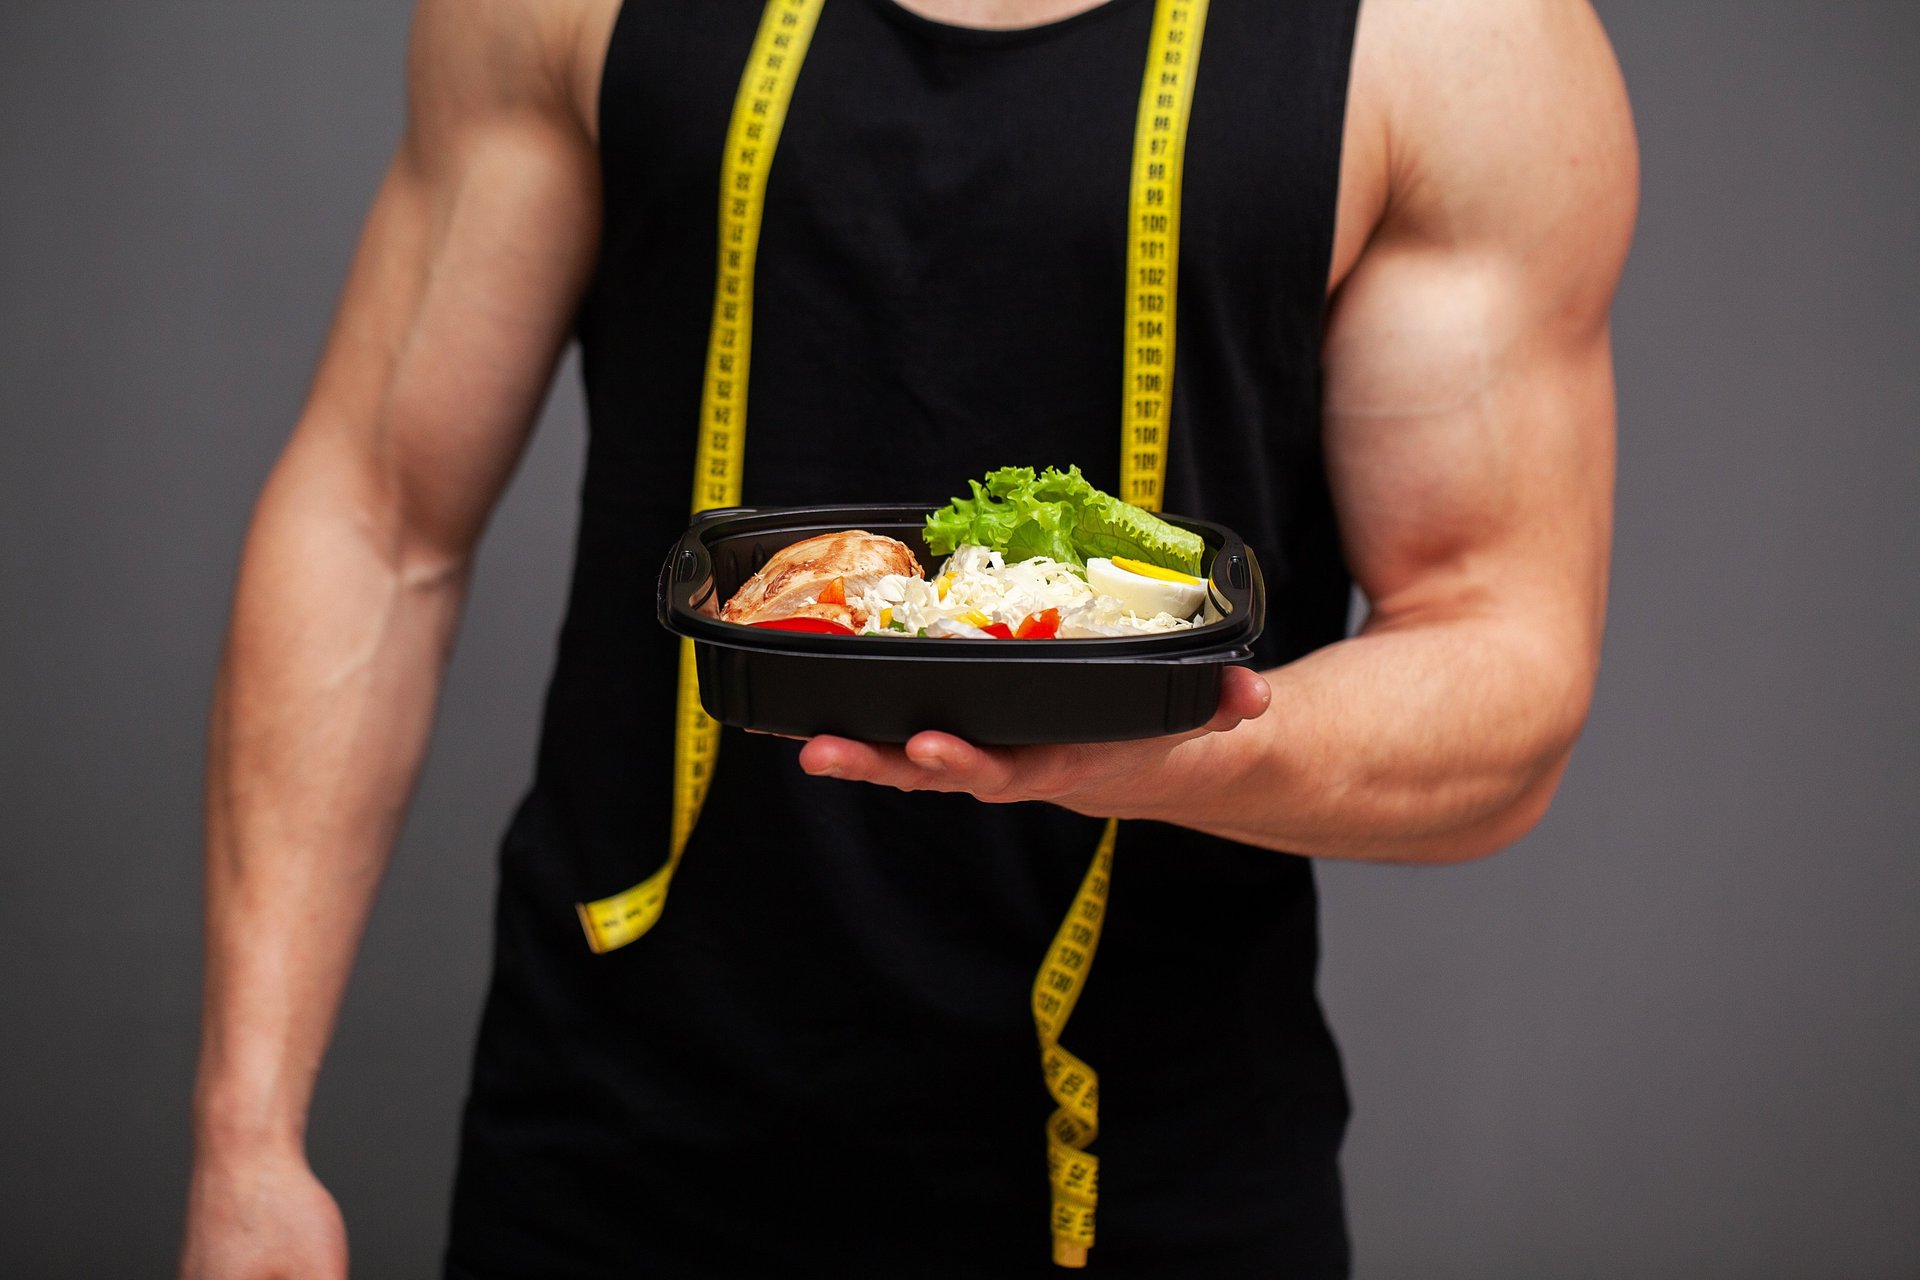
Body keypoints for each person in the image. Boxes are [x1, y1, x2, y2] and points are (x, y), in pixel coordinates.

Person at [180, 0, 1636, 1275]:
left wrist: (1169, 747)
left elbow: (1505, 660)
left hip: (1151, 1190)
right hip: (608, 1156)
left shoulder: (1458, 33)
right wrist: (247, 1140)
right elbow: (379, 517)